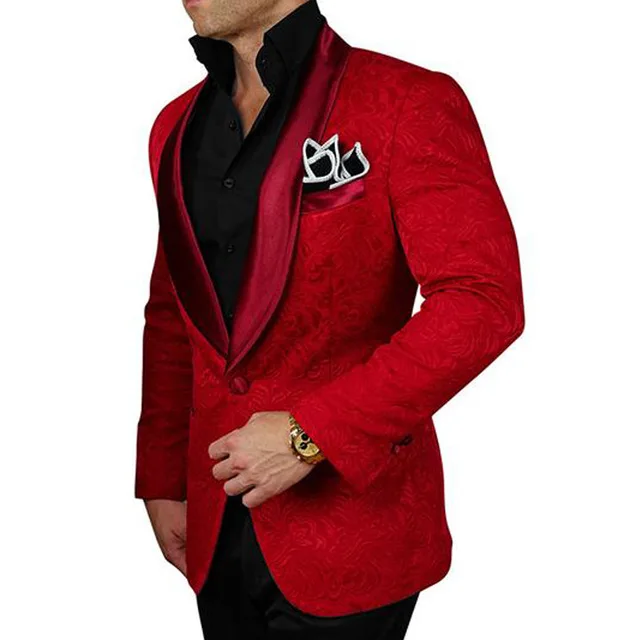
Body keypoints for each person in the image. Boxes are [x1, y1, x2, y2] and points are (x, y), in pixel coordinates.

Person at [134, 0, 525, 637]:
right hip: (213, 516)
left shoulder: (407, 101)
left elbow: (482, 301)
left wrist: (308, 434)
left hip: (354, 523)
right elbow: (173, 312)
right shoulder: (173, 126)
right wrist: (161, 475)